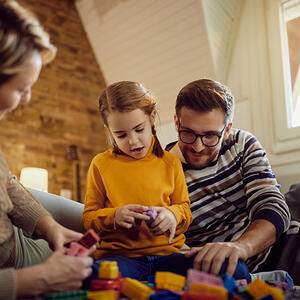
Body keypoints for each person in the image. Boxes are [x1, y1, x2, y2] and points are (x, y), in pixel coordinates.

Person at [83, 80, 252, 283]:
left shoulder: (170, 162)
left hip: (169, 259)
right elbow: (89, 218)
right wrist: (114, 216)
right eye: (121, 135)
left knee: (237, 270)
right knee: (89, 275)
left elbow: (185, 211)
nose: (133, 141)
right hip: (122, 260)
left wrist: (172, 215)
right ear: (109, 129)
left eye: (139, 129)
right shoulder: (101, 164)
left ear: (152, 117)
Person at [0, 1, 93, 299]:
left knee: (89, 221)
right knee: (92, 264)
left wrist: (47, 225)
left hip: (15, 235)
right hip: (12, 263)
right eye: (20, 88)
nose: (26, 99)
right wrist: (36, 281)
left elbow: (7, 183)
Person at [167, 79, 291, 279]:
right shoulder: (160, 173)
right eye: (188, 133)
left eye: (210, 136)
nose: (198, 147)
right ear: (176, 122)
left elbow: (273, 207)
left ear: (227, 129)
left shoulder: (241, 143)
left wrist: (241, 247)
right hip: (229, 273)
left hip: (280, 248)